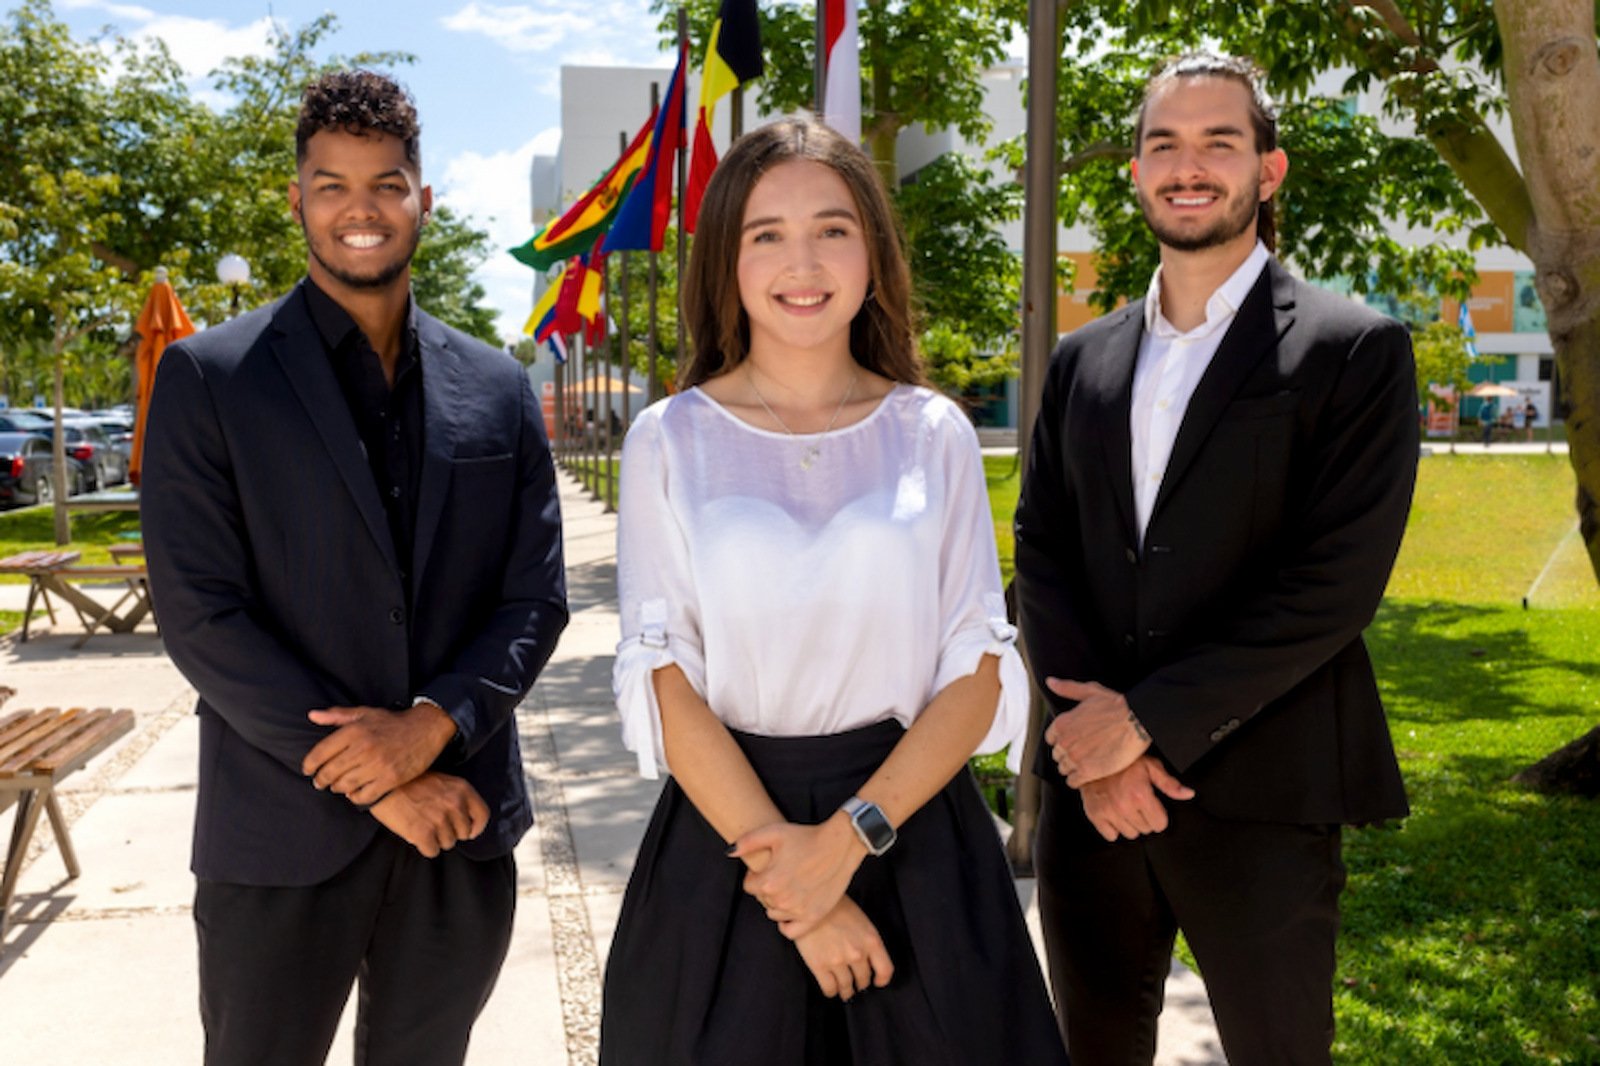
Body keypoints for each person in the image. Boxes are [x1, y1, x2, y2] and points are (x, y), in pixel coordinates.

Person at [600, 117, 1067, 1066]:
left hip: (911, 833)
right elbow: (664, 680)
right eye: (765, 233)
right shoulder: (669, 438)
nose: (801, 260)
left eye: (832, 227)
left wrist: (848, 843)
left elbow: (977, 669)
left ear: (872, 251)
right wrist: (798, 893)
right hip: (728, 843)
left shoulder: (932, 431)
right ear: (726, 258)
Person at [141, 70, 567, 1065]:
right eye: (331, 184)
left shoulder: (499, 388)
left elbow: (533, 598)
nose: (359, 208)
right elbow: (202, 613)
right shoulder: (207, 379)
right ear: (297, 200)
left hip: (458, 825)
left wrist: (432, 725)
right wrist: (379, 780)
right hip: (278, 834)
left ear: (425, 199)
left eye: (386, 183)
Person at [1013, 53, 1417, 1066]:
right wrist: (1087, 737)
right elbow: (1041, 548)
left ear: (1268, 171)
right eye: (1163, 144)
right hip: (1090, 805)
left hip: (1262, 797)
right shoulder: (1081, 360)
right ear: (1138, 172)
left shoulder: (1352, 350)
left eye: (1217, 143)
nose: (1187, 166)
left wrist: (1143, 725)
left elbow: (1333, 587)